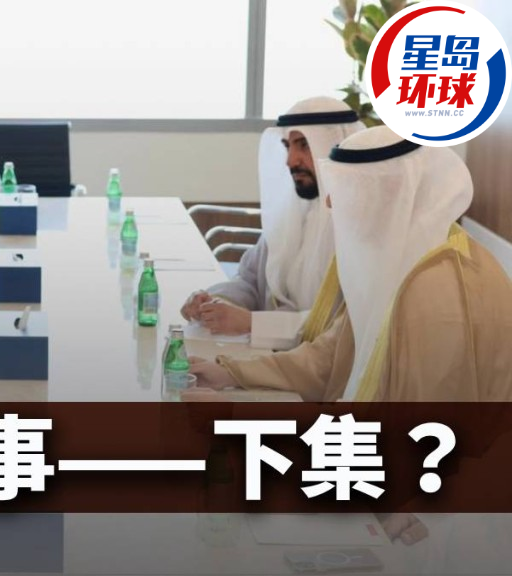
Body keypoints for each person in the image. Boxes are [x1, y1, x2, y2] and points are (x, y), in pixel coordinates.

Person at [190, 126, 512, 402]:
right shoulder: (400, 257)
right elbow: (331, 357)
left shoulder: (438, 290)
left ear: (390, 192)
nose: (330, 202)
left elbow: (419, 436)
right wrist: (229, 372)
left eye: (346, 188)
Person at [181, 97, 364, 349]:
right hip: (270, 356)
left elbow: (342, 328)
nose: (291, 161)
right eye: (288, 147)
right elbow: (250, 281)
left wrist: (253, 323)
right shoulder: (292, 212)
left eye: (303, 145)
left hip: (318, 369)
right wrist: (214, 301)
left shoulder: (360, 227)